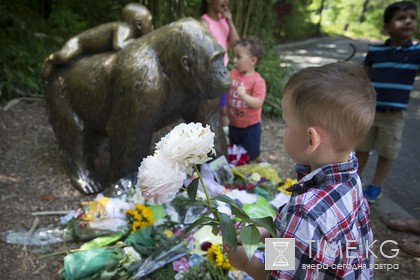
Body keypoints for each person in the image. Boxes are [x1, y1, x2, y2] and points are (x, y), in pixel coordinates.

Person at [224, 62, 376, 279]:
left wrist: (245, 262)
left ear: (311, 138)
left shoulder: (305, 210)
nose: (283, 129)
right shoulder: (351, 177)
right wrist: (269, 235)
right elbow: (307, 247)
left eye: (286, 124)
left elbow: (280, 275)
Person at [355, 1, 420, 204]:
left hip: (394, 115)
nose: (408, 21)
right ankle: (354, 181)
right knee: (361, 147)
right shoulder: (376, 51)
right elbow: (363, 76)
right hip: (369, 110)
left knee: (387, 151)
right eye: (401, 18)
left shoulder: (417, 52)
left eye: (412, 17)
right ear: (387, 27)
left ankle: (376, 185)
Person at [40, 3, 154, 79]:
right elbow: (119, 45)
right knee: (63, 56)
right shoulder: (123, 28)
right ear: (138, 23)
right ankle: (50, 59)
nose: (152, 27)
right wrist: (141, 42)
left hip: (88, 49)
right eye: (150, 22)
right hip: (78, 43)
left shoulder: (129, 32)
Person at [200, 0, 240, 128]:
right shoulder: (204, 23)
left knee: (224, 110)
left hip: (223, 71)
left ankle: (225, 143)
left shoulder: (224, 21)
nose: (226, 1)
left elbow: (237, 46)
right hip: (211, 74)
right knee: (212, 110)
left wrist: (230, 21)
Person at [227, 36, 266, 162]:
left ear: (253, 61)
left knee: (250, 155)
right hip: (233, 124)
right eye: (234, 56)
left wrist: (244, 96)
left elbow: (258, 103)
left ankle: (257, 163)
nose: (234, 60)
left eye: (238, 57)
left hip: (250, 127)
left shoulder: (257, 81)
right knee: (234, 152)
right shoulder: (233, 73)